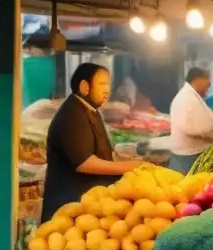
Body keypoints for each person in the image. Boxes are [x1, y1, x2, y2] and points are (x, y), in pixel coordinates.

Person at [41, 64, 142, 222]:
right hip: (69, 208)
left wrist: (124, 161)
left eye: (108, 84)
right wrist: (129, 167)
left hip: (88, 204)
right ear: (84, 86)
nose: (107, 90)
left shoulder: (89, 110)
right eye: (102, 84)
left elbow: (103, 153)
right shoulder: (72, 115)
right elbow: (85, 163)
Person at [168, 66, 213, 174]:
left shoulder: (191, 96)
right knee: (186, 188)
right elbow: (197, 128)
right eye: (207, 82)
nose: (209, 86)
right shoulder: (187, 99)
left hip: (190, 157)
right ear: (198, 79)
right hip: (187, 159)